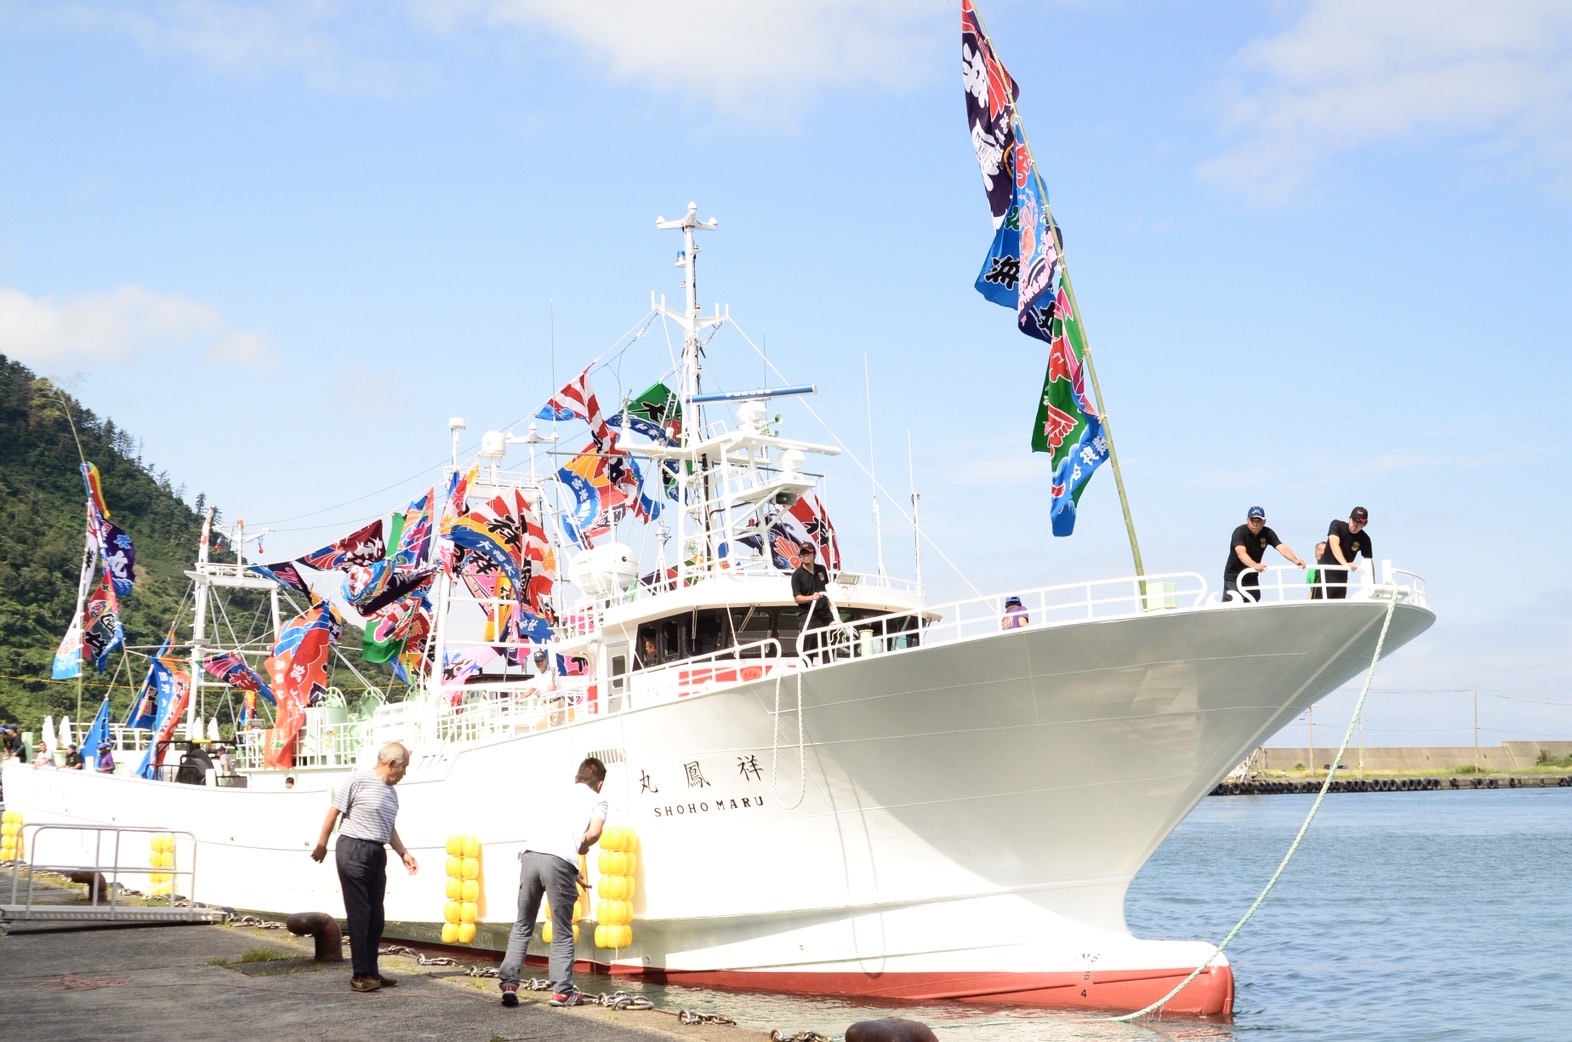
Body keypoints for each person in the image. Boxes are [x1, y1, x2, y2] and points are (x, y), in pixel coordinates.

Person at [498, 757, 607, 1009]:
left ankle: (510, 984)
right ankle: (562, 992)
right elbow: (594, 833)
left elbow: (550, 837)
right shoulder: (598, 798)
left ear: (576, 778)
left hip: (530, 857)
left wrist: (570, 866)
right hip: (558, 863)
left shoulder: (557, 792)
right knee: (561, 930)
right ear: (599, 784)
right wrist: (577, 850)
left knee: (523, 924)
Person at [311, 741, 419, 993]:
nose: (404, 774)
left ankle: (372, 970)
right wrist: (322, 844)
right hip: (353, 849)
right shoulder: (356, 780)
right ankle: (359, 975)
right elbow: (334, 812)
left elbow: (388, 827)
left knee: (376, 917)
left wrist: (403, 852)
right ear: (391, 764)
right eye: (404, 768)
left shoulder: (392, 793)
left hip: (376, 852)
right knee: (360, 914)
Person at [1223, 506, 1306, 603]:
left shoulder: (1267, 533)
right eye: (1252, 520)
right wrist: (1254, 565)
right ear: (1247, 520)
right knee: (1232, 605)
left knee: (1253, 603)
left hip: (1251, 577)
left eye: (1258, 521)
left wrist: (1295, 560)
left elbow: (1282, 548)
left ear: (1264, 522)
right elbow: (1241, 553)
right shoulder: (1239, 532)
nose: (1255, 524)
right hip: (1234, 577)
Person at [1312, 506, 1373, 600]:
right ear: (1349, 518)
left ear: (1365, 523)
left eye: (1360, 522)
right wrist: (1345, 564)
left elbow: (1369, 562)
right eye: (1354, 520)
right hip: (1324, 574)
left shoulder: (1365, 539)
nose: (1355, 524)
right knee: (1317, 609)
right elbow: (1334, 545)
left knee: (1337, 610)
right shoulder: (1337, 525)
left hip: (1342, 578)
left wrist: (1373, 585)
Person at [791, 543, 834, 661]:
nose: (806, 555)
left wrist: (833, 610)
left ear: (814, 554)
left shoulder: (821, 569)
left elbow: (827, 590)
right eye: (803, 553)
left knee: (828, 649)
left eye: (808, 553)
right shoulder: (797, 575)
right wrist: (811, 597)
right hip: (808, 616)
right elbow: (797, 598)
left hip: (825, 615)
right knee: (807, 650)